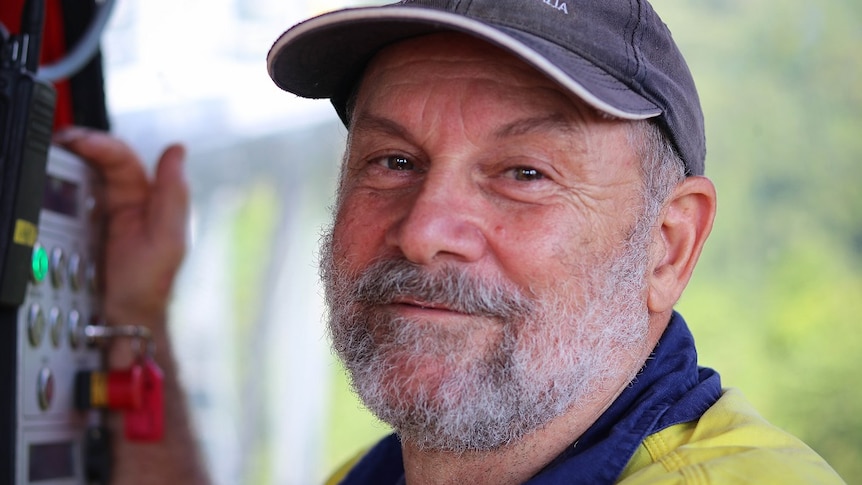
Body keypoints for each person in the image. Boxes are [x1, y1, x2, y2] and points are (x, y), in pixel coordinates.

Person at [57, 0, 846, 483]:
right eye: (393, 160)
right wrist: (136, 313)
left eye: (523, 173)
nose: (426, 228)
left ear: (668, 246)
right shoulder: (381, 474)